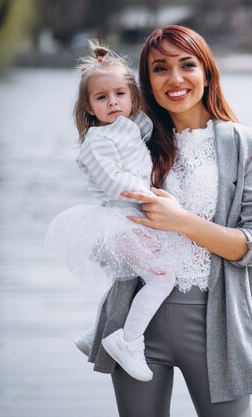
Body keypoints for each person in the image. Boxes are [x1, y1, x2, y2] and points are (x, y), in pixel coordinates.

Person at [87, 25, 252, 417]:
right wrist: (108, 242)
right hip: (135, 330)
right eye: (159, 69)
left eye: (186, 65)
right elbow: (106, 221)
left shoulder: (248, 144)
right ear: (146, 82)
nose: (174, 79)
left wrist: (183, 221)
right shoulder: (133, 141)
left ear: (206, 72)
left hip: (216, 325)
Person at [44, 40, 183, 383]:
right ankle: (128, 340)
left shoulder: (130, 126)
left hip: (128, 218)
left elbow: (151, 129)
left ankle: (96, 334)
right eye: (102, 98)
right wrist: (148, 192)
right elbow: (112, 181)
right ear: (89, 107)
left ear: (132, 97)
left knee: (131, 278)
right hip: (120, 219)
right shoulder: (97, 140)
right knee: (163, 277)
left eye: (120, 94)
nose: (113, 103)